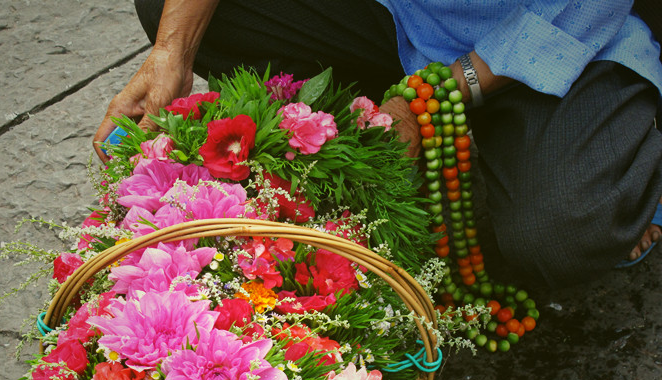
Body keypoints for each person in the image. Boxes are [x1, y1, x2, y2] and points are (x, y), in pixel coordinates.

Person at [93, 0, 662, 289]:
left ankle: (619, 141)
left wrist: (439, 94)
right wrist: (172, 53)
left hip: (568, 27)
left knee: (561, 232)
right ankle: (363, 130)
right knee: (183, 11)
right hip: (403, 13)